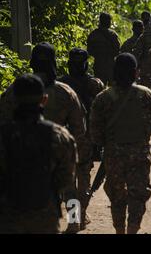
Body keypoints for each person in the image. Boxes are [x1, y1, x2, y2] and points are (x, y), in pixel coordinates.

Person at [0, 42, 86, 233]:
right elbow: (79, 127)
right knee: (71, 187)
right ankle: (74, 220)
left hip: (16, 153)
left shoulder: (15, 89)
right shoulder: (66, 92)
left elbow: (2, 119)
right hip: (55, 150)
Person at [90, 53, 151, 234]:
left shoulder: (103, 98)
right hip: (139, 152)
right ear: (135, 72)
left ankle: (119, 231)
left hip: (113, 155)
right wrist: (143, 135)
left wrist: (108, 143)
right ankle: (132, 229)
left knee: (117, 195)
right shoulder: (146, 95)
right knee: (138, 194)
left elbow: (95, 131)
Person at [59, 48, 105, 230]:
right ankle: (82, 214)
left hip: (65, 139)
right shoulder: (95, 84)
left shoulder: (60, 85)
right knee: (84, 179)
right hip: (86, 139)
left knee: (69, 182)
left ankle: (73, 219)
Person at [87, 13, 121, 85]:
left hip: (98, 65)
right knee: (112, 89)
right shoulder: (113, 35)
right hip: (111, 66)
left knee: (99, 87)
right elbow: (117, 51)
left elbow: (89, 51)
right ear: (108, 22)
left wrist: (99, 54)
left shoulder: (94, 34)